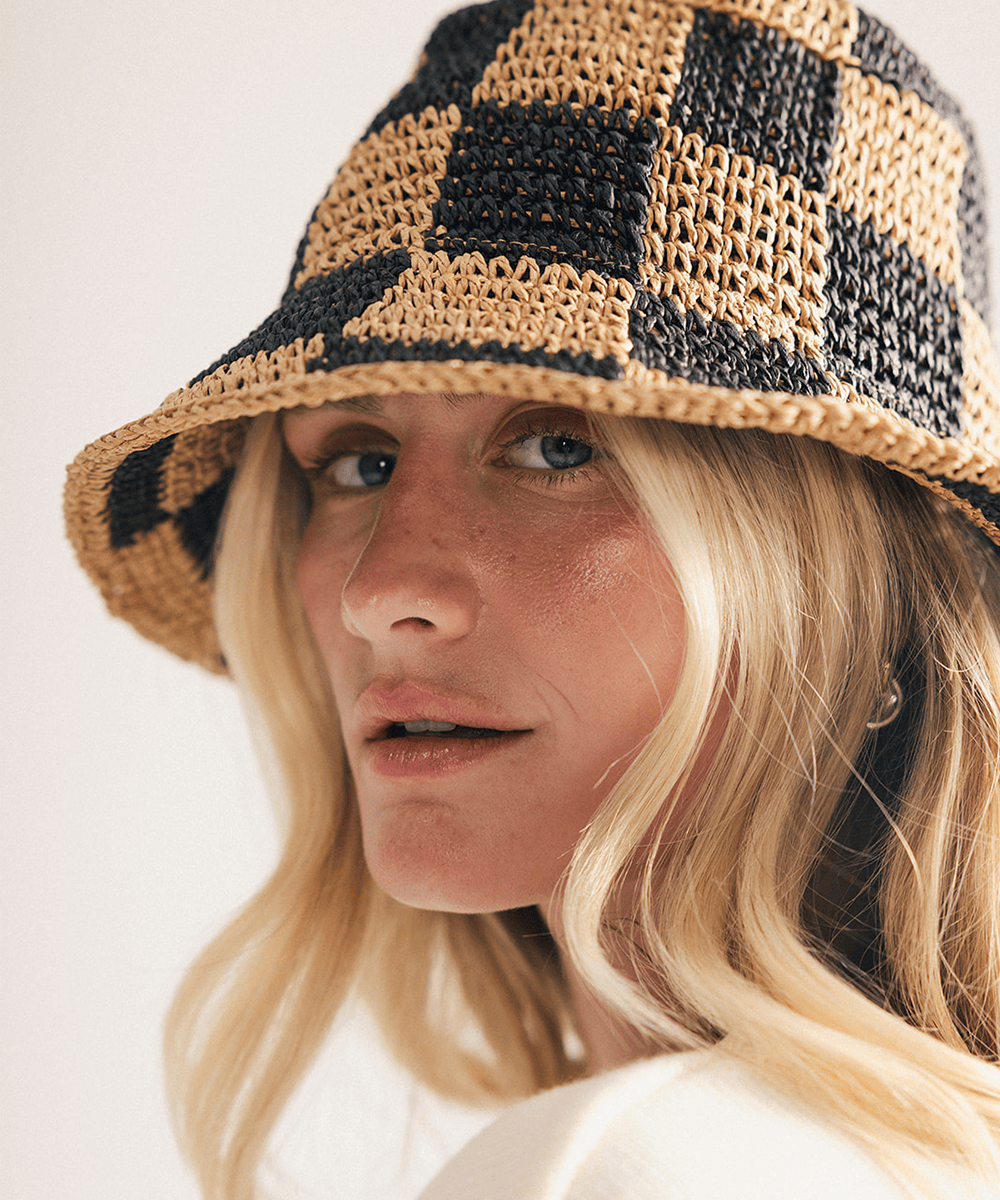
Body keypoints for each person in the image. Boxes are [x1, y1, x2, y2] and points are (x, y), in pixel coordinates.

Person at [64, 1, 1000, 1197]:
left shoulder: (618, 1168)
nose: (382, 591)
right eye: (356, 463)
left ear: (862, 599)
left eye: (558, 448)